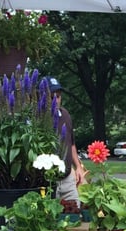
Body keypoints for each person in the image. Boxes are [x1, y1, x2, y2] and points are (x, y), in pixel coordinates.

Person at [46, 77, 86, 207]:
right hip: (49, 182)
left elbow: (71, 143)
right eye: (52, 97)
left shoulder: (65, 115)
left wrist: (78, 167)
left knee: (76, 214)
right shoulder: (39, 119)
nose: (55, 100)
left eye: (58, 96)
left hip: (68, 179)